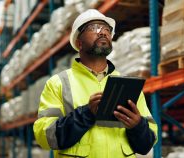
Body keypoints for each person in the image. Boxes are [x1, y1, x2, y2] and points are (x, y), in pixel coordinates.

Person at [33, 9, 158, 158]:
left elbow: (147, 144)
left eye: (107, 29)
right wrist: (85, 114)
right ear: (79, 43)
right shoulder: (58, 83)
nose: (103, 32)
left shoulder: (127, 85)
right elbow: (45, 137)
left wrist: (137, 126)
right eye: (94, 28)